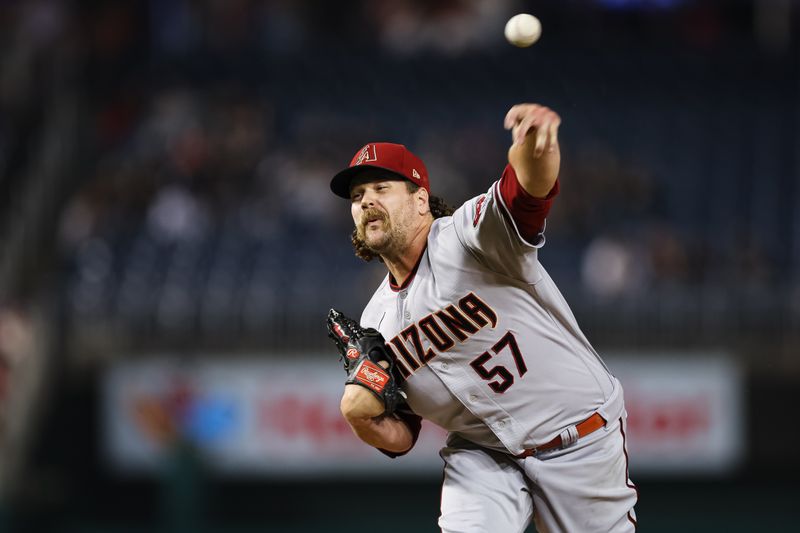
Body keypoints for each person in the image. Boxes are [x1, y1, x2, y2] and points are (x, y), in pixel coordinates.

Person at [328, 103, 638, 532]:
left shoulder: (464, 238)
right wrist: (364, 419)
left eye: (381, 188)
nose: (366, 202)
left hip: (580, 440)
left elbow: (525, 197)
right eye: (358, 197)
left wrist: (535, 150)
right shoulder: (377, 320)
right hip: (483, 455)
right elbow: (405, 433)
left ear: (421, 199)